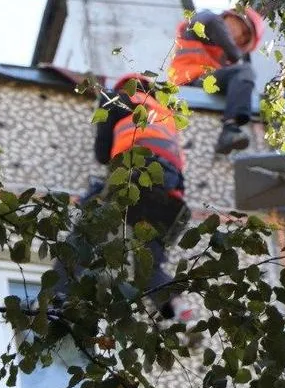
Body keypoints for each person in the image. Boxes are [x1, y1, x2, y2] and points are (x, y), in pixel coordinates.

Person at [51, 73, 193, 323]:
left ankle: (59, 296)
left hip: (135, 175)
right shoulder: (166, 116)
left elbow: (102, 153)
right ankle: (178, 307)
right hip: (169, 197)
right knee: (148, 267)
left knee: (83, 236)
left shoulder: (116, 98)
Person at [169, 7, 265, 155]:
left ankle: (230, 128)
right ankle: (230, 128)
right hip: (188, 82)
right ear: (230, 16)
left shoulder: (224, 59)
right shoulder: (203, 22)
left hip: (206, 83)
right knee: (244, 71)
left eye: (244, 39)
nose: (239, 37)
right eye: (243, 30)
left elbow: (239, 85)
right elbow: (212, 22)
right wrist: (238, 59)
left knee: (242, 76)